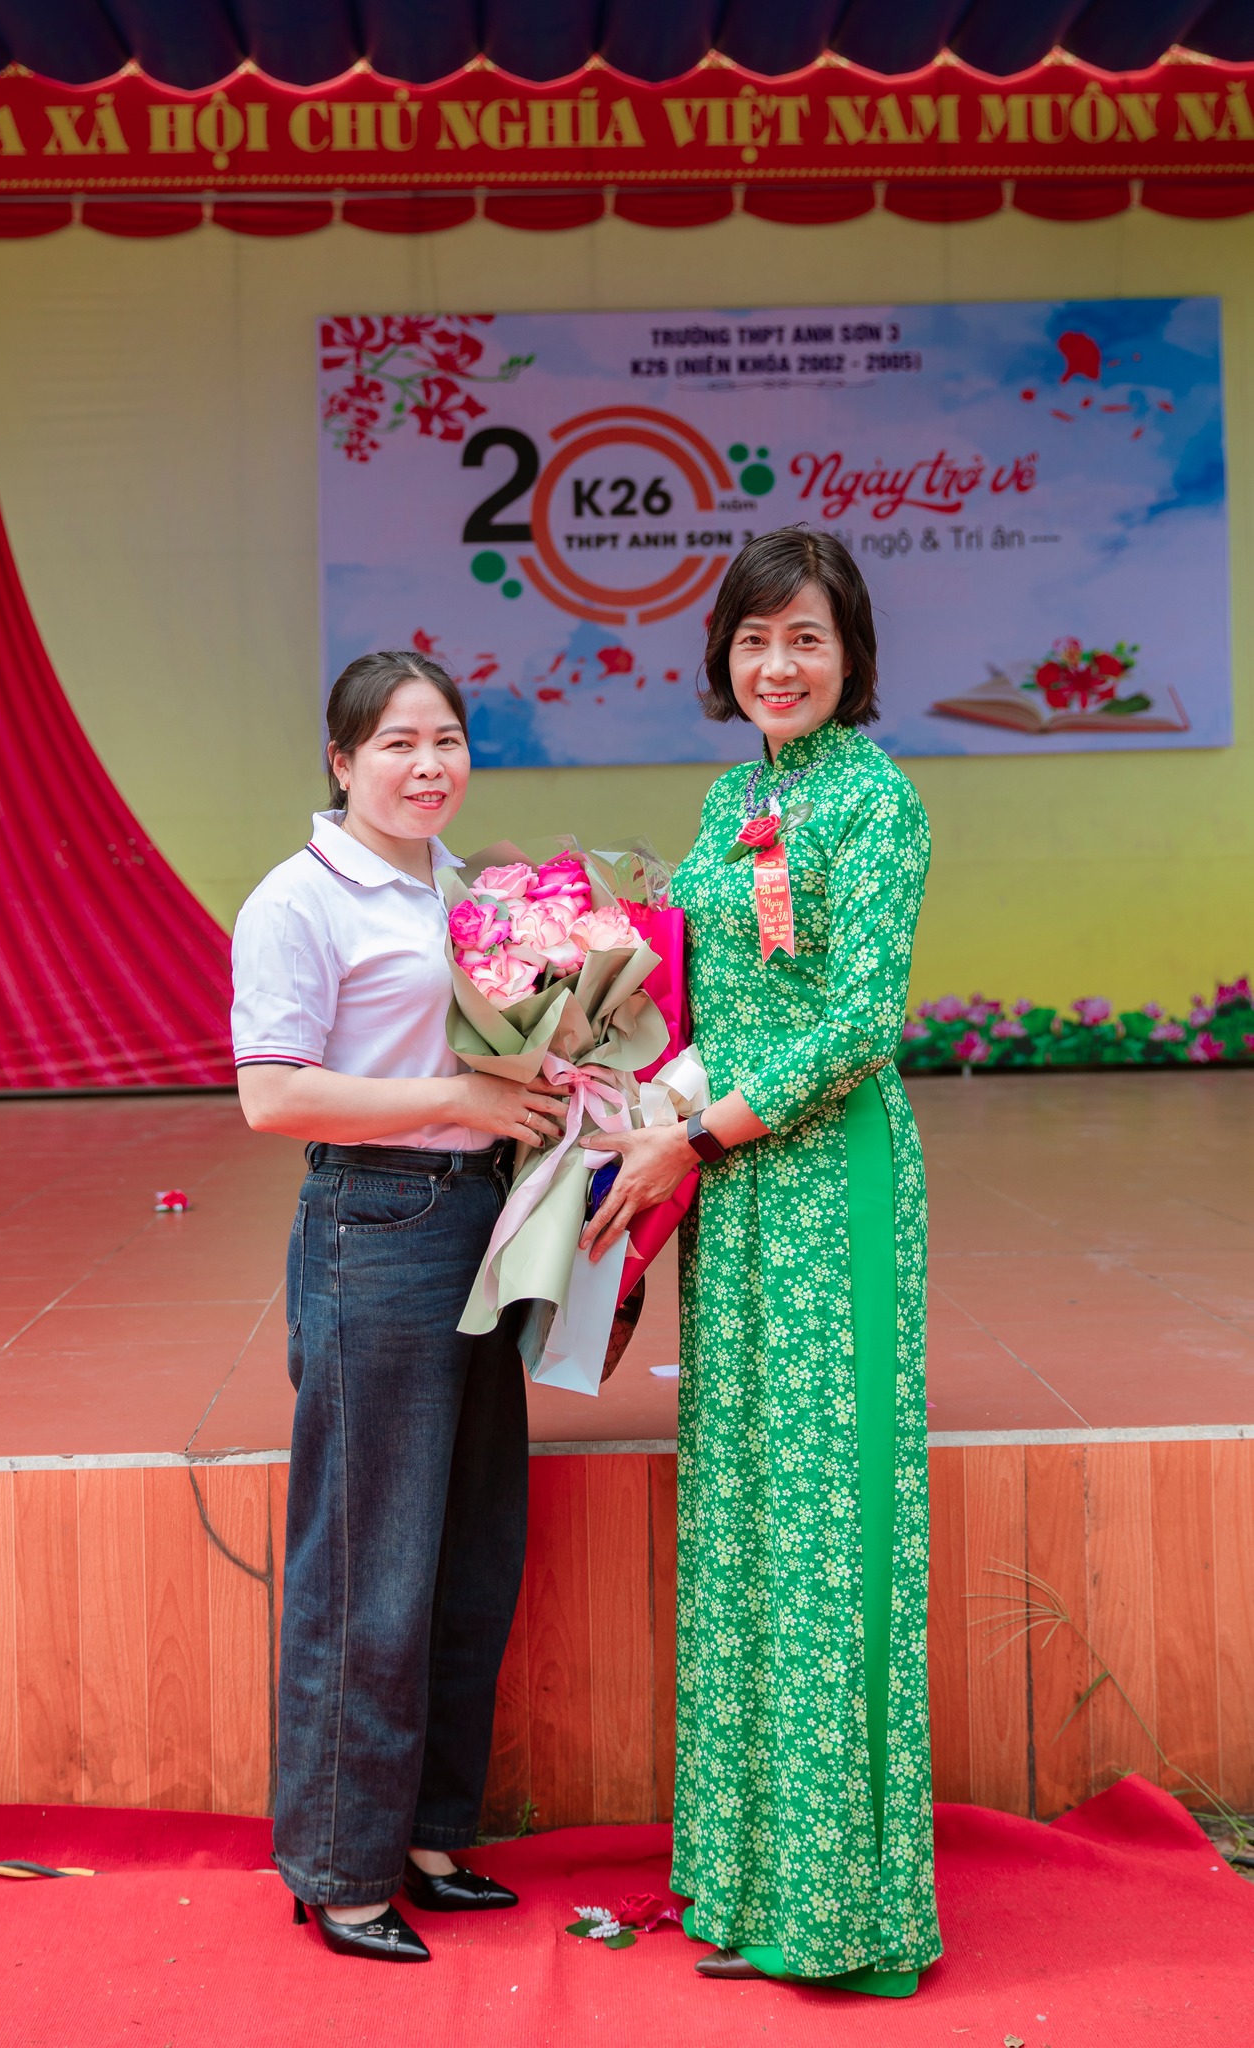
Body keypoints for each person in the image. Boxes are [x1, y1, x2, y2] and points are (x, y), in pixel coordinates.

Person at [580, 528, 942, 1994]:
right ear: (722, 658)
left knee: (828, 1527)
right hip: (728, 1189)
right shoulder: (734, 798)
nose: (776, 666)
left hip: (826, 1186)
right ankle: (743, 1880)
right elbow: (715, 1005)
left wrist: (689, 1134)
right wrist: (636, 1111)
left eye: (804, 639)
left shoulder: (878, 801)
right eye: (752, 641)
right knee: (742, 1516)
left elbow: (856, 1023)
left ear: (851, 653)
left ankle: (848, 1915)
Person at [232, 650, 565, 1962]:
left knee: (472, 1548)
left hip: (483, 1218)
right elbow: (274, 1095)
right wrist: (458, 1099)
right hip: (376, 1226)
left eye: (447, 742)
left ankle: (428, 1835)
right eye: (396, 745)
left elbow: (494, 1049)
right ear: (342, 761)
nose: (428, 767)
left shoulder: (471, 891)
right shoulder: (299, 900)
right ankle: (341, 1867)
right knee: (368, 1561)